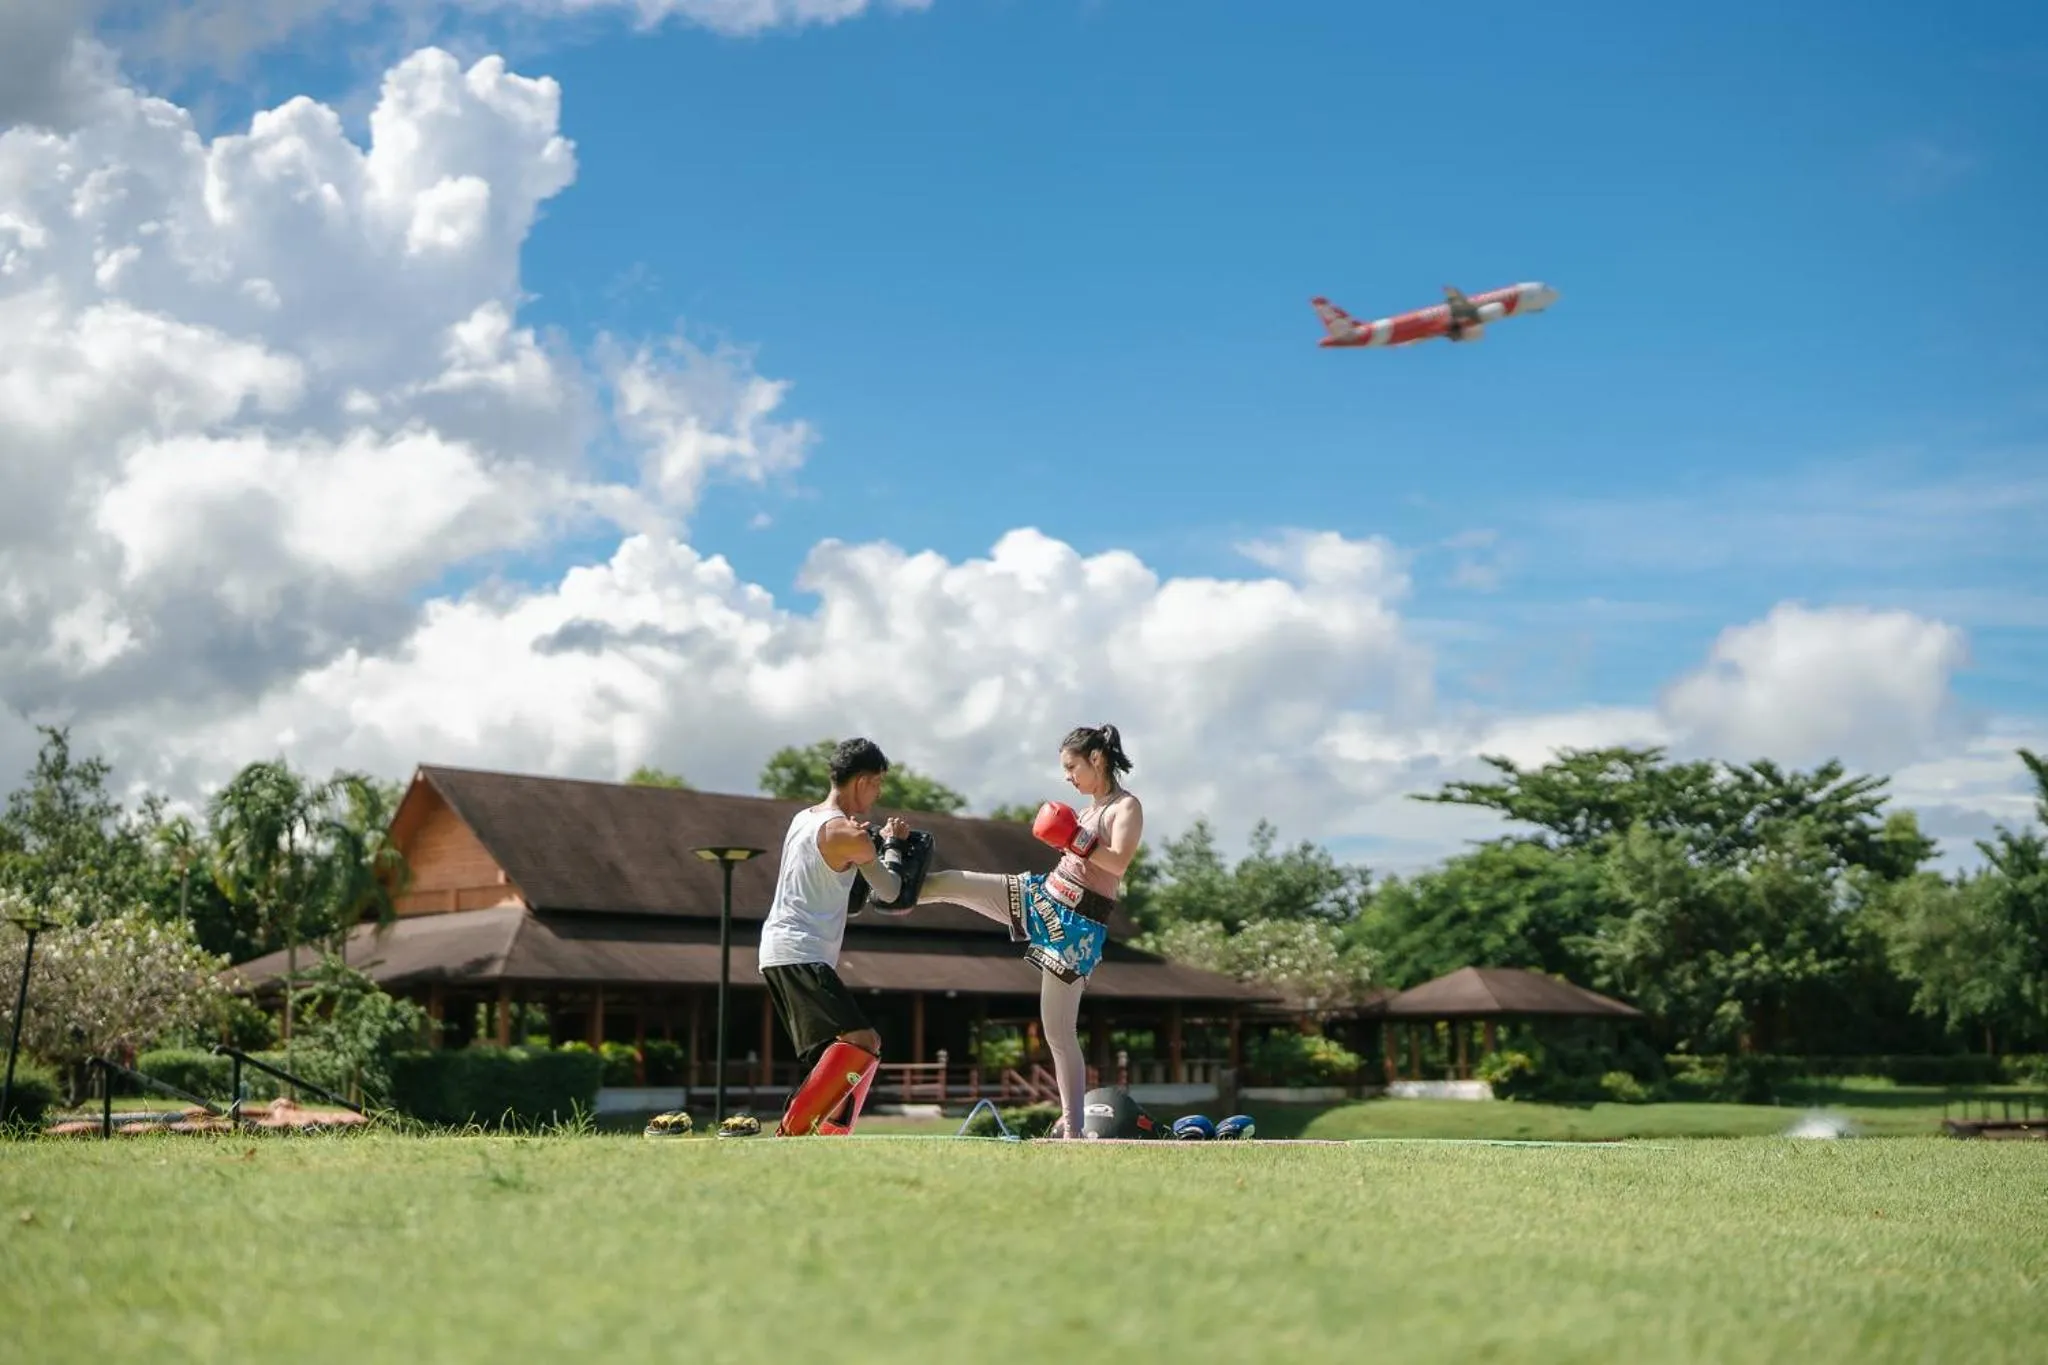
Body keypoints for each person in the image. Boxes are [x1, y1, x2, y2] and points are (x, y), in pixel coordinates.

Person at [914, 723, 1144, 1140]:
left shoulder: (1124, 808)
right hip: (1043, 894)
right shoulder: (1088, 810)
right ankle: (890, 890)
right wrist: (1074, 835)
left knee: (1057, 1031)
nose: (1067, 776)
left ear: (1097, 759)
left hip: (1076, 927)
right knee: (953, 881)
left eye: (1071, 766)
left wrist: (1073, 836)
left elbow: (1117, 864)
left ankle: (1074, 1134)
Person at [754, 736, 918, 1137]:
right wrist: (892, 845)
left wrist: (869, 846)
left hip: (784, 950)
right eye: (877, 783)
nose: (878, 793)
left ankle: (823, 1136)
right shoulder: (850, 834)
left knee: (842, 1050)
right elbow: (892, 892)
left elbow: (853, 898)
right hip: (800, 951)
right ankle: (794, 1134)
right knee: (863, 1039)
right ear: (862, 780)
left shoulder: (803, 819)